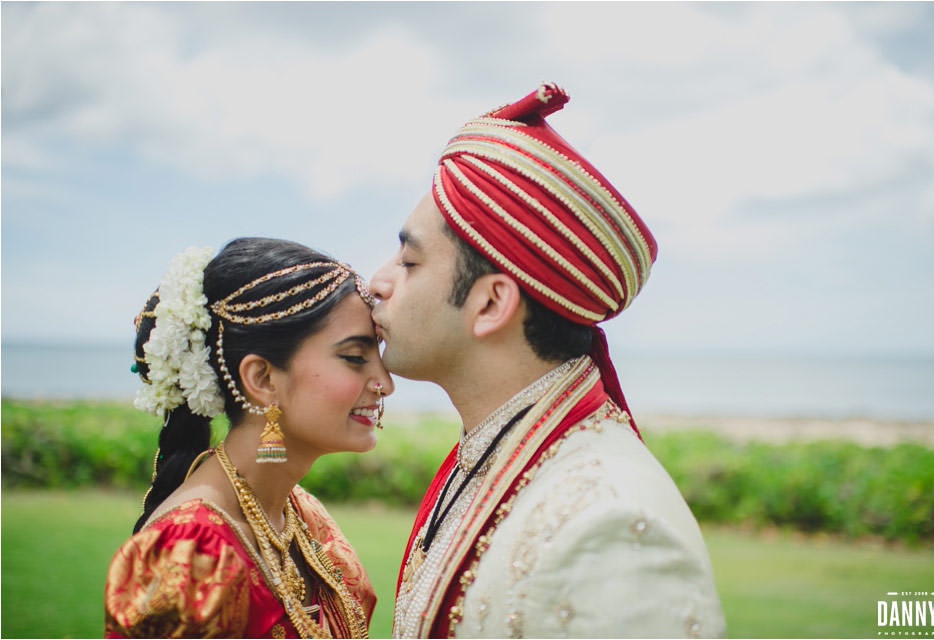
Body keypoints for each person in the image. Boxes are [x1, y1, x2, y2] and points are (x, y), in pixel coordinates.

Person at [370, 83, 725, 638]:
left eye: (409, 262)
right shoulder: (488, 452)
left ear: (490, 303)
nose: (378, 281)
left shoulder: (612, 525)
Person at [104, 237, 394, 638]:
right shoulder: (189, 552)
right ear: (262, 379)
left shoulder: (303, 516)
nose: (384, 383)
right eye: (355, 358)